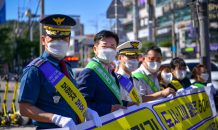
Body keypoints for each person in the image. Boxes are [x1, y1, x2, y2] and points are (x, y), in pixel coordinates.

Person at [18, 14, 101, 130]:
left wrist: (86, 110)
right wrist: (55, 118)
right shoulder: (34, 70)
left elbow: (70, 98)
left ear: (69, 40)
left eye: (63, 38)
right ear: (43, 40)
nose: (59, 42)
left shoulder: (66, 66)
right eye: (54, 38)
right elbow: (24, 108)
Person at [77, 30, 138, 117]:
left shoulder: (111, 72)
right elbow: (81, 104)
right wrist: (110, 109)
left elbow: (110, 101)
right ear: (95, 49)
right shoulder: (89, 72)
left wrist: (126, 104)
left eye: (112, 47)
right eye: (104, 46)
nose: (109, 50)